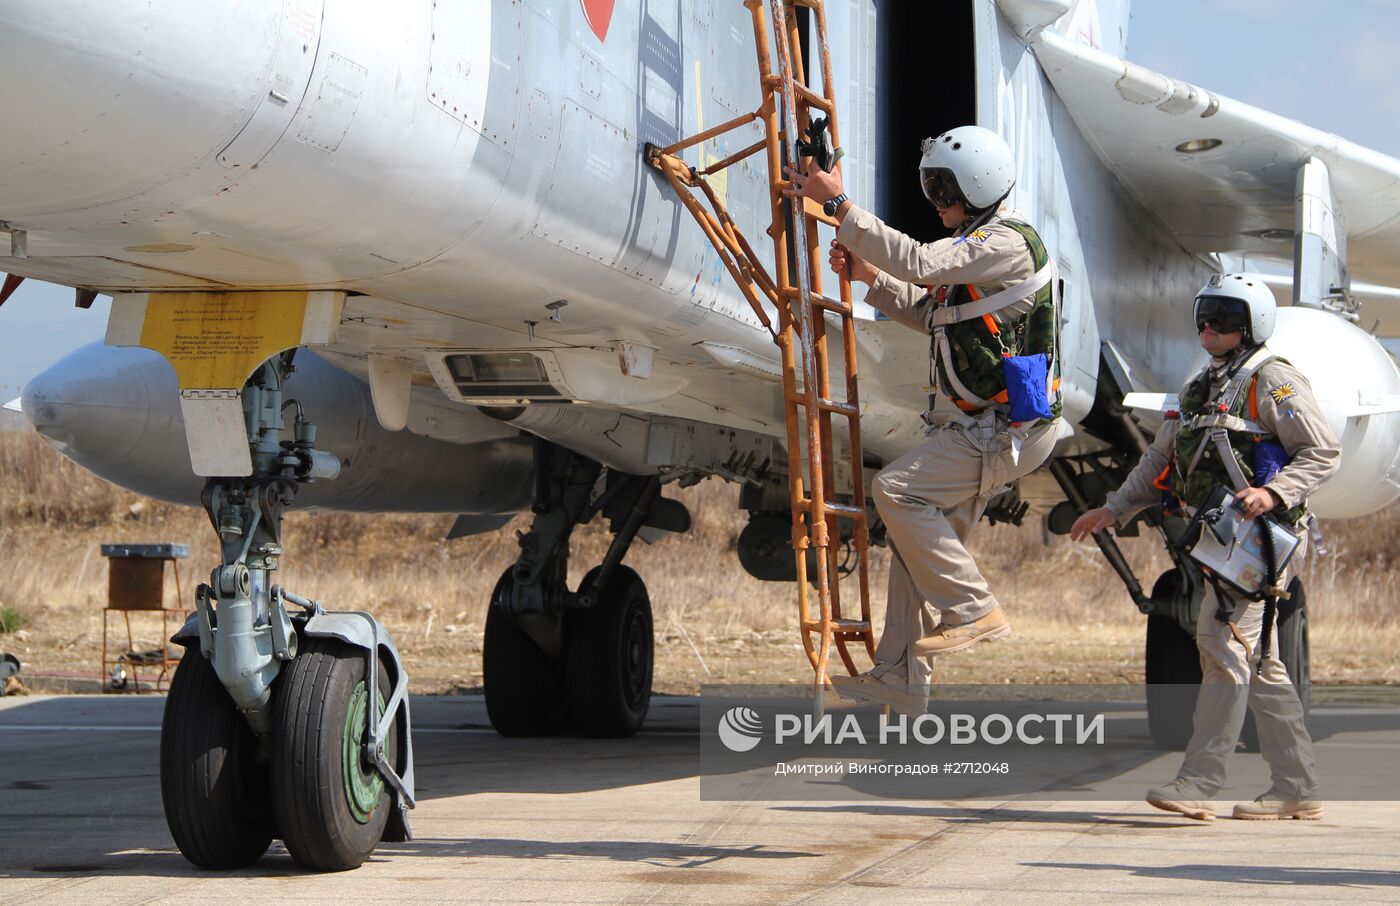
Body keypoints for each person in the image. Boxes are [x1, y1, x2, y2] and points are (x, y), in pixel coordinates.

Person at [786, 125, 1061, 715]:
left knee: (898, 494)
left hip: (1000, 432)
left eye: (944, 189)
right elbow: (929, 311)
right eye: (930, 186)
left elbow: (917, 262)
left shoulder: (1006, 244)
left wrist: (838, 205)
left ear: (979, 186)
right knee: (915, 552)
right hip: (985, 429)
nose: (936, 201)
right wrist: (869, 280)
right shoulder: (976, 250)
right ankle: (902, 680)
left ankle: (972, 610)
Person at [1071, 273, 1341, 821]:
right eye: (1204, 315)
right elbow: (1158, 462)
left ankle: (1200, 780)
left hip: (1258, 545)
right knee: (1260, 662)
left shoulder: (1276, 381)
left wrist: (1273, 492)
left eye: (1223, 317)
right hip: (1218, 544)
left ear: (1251, 324)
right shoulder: (1198, 388)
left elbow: (1321, 452)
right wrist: (1115, 507)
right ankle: (1297, 786)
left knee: (1220, 649)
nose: (1208, 327)